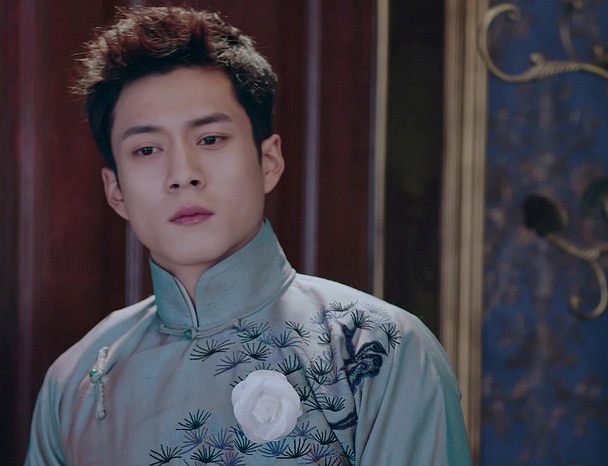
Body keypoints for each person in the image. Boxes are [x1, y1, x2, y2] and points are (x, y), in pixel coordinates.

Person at [25, 6, 470, 465]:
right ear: (116, 191)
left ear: (269, 162)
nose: (182, 174)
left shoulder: (376, 347)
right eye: (147, 149)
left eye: (210, 139)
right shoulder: (77, 380)